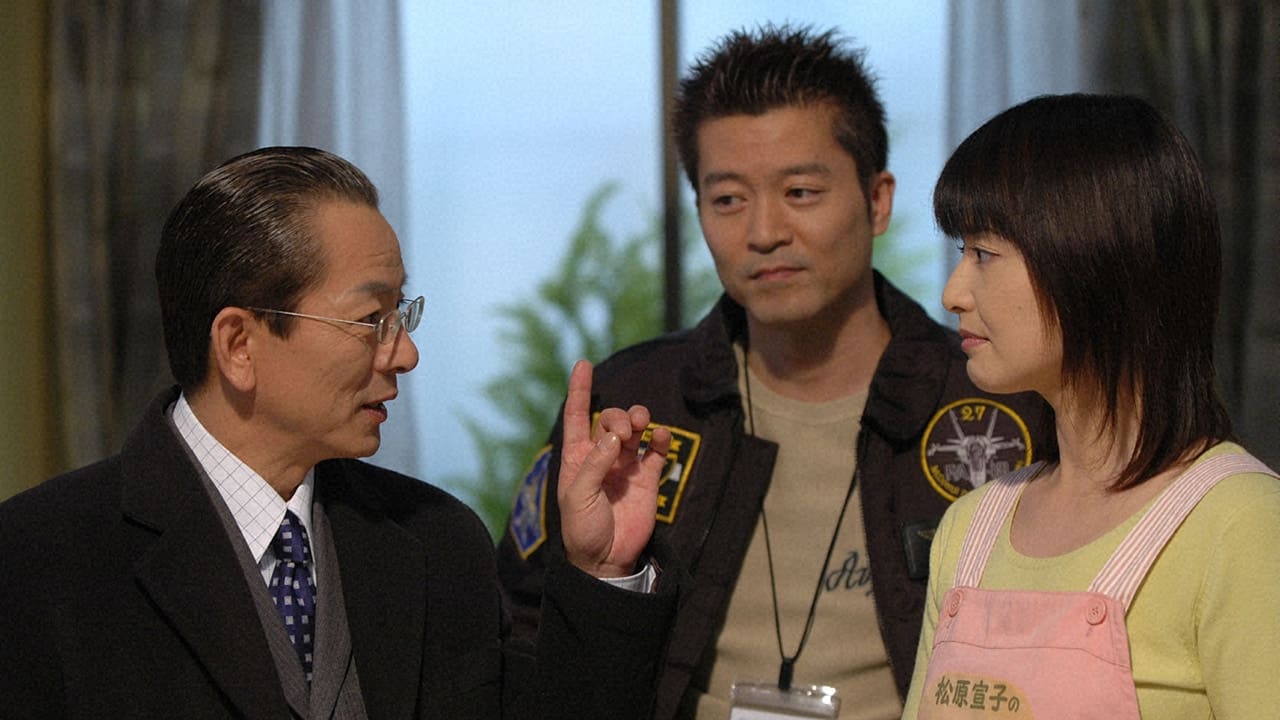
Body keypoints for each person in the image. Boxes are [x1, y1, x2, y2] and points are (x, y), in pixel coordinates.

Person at [0, 146, 679, 720]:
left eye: (401, 314)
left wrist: (601, 572)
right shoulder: (37, 561)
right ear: (238, 344)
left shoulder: (438, 543)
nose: (405, 353)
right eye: (370, 320)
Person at [497, 25, 1052, 720]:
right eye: (728, 199)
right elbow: (521, 635)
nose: (763, 233)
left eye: (800, 191)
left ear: (878, 200)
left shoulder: (1000, 399)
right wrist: (608, 580)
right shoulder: (637, 406)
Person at [900, 93, 1280, 719]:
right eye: (962, 251)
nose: (953, 293)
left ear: (1095, 259)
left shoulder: (1240, 525)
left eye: (984, 254)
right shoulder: (970, 529)